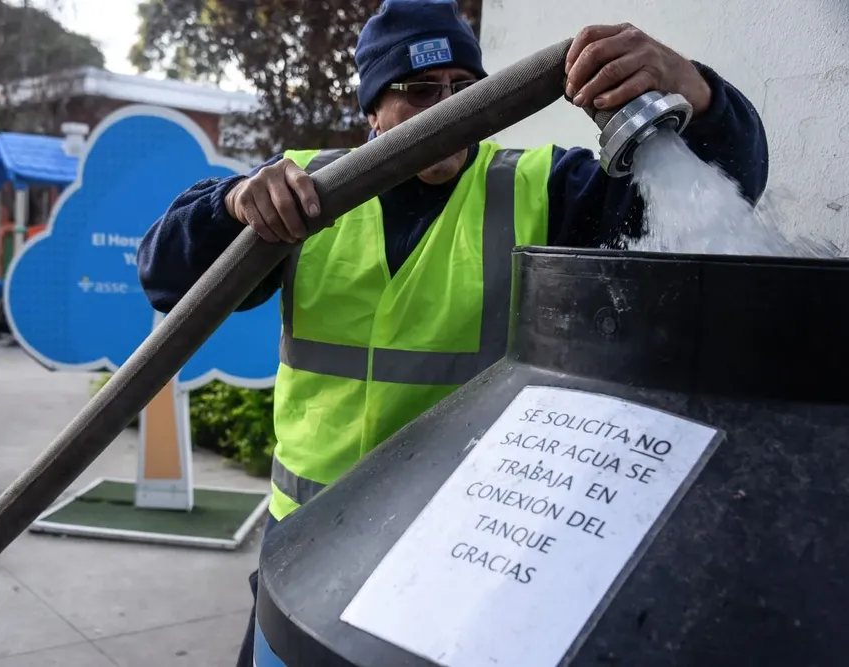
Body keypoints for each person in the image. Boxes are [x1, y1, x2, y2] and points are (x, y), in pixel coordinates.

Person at [137, 1, 768, 664]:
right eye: (417, 91)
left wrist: (697, 94)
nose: (445, 108)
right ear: (372, 109)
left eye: (464, 91)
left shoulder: (538, 187)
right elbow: (166, 276)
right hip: (302, 559)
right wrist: (233, 203)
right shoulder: (304, 192)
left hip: (453, 576)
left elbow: (711, 195)